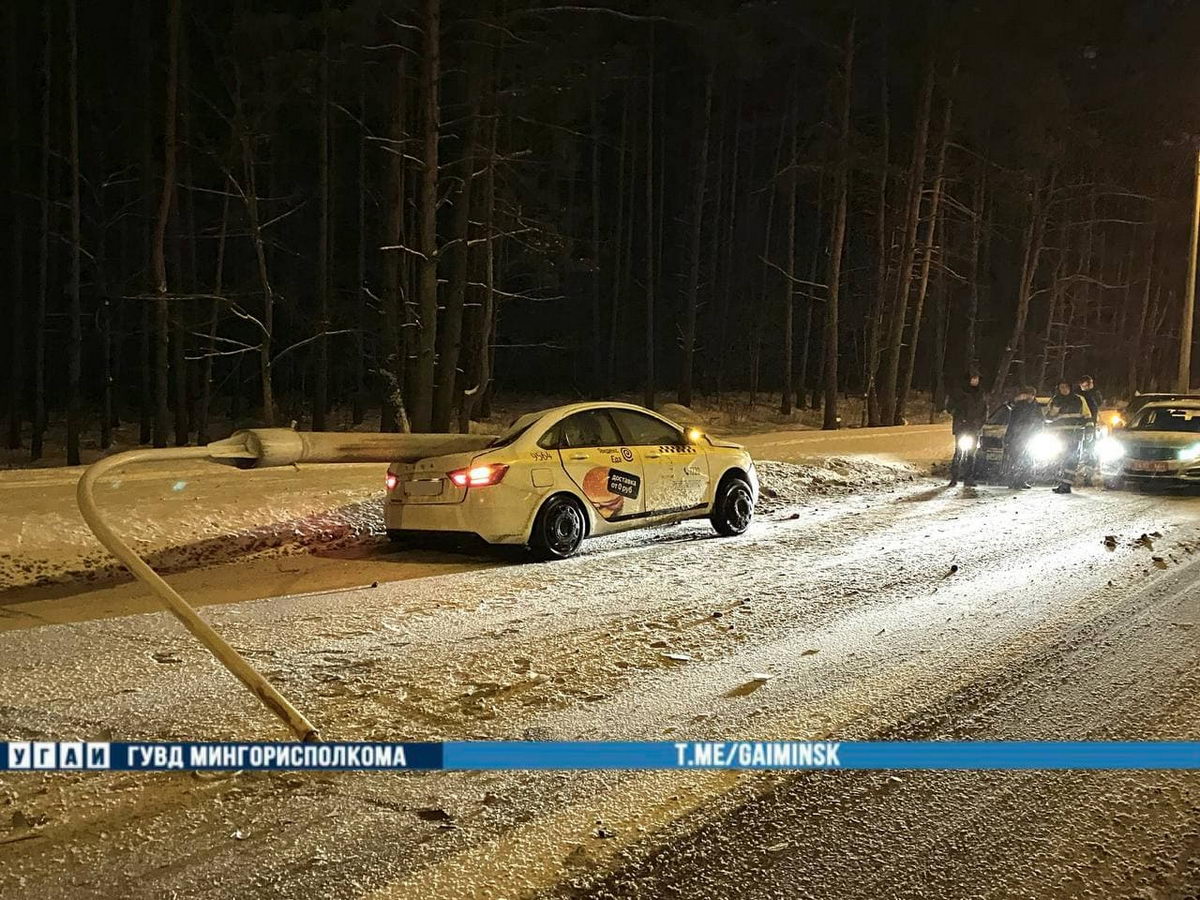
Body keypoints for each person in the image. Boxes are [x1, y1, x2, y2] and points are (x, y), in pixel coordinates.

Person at [1045, 380, 1093, 494]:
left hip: (1074, 435)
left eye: (1066, 387)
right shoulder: (1055, 400)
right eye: (1061, 387)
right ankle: (1062, 483)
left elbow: (1087, 415)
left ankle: (1066, 484)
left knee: (1071, 460)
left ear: (1070, 388)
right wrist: (1053, 411)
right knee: (1061, 460)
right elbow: (1047, 419)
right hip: (1058, 436)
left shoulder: (1078, 399)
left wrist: (1089, 430)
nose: (1064, 389)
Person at [946, 371, 987, 487]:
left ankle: (968, 478)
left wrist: (979, 423)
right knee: (959, 452)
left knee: (971, 454)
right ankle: (954, 477)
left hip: (974, 428)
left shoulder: (981, 393)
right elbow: (950, 407)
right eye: (973, 378)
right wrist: (960, 418)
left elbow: (984, 410)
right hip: (962, 427)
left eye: (977, 378)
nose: (975, 380)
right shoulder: (959, 393)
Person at [1003, 385, 1044, 489]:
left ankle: (1022, 480)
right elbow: (1009, 408)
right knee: (1015, 459)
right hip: (1017, 436)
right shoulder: (1019, 405)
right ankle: (1013, 481)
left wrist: (1038, 432)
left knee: (1027, 459)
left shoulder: (1036, 407)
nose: (1029, 397)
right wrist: (1016, 399)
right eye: (1028, 394)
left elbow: (1040, 421)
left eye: (1031, 394)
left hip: (1029, 437)